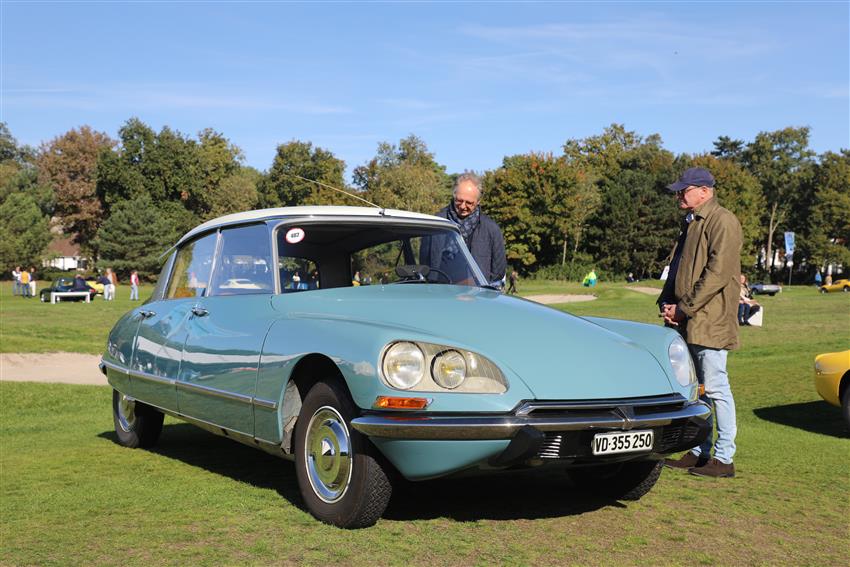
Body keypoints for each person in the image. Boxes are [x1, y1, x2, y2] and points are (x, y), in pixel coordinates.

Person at [658, 167, 742, 478]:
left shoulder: (723, 220)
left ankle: (724, 458)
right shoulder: (691, 221)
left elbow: (717, 274)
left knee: (717, 388)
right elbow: (677, 266)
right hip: (688, 320)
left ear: (704, 191)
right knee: (697, 390)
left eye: (684, 190)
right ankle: (698, 451)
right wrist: (667, 302)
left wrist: (684, 308)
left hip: (710, 320)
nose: (679, 195)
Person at [432, 172, 506, 285]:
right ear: (454, 195)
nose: (462, 206)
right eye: (459, 200)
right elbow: (427, 262)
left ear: (478, 201)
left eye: (469, 203)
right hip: (443, 290)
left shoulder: (491, 229)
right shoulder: (436, 223)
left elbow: (498, 271)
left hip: (478, 292)